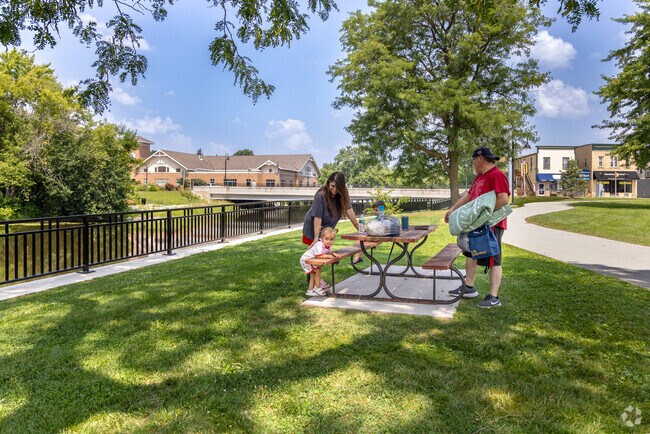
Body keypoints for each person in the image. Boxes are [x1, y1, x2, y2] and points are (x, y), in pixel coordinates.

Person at [444, 146, 510, 308]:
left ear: (479, 159)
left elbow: (503, 199)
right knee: (470, 253)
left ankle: (494, 297)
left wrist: (482, 216)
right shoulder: (480, 177)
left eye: (473, 161)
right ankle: (469, 287)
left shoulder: (496, 175)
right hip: (476, 225)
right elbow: (469, 195)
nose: (472, 164)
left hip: (491, 225)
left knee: (493, 258)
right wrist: (453, 209)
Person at [302, 171, 360, 290]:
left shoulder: (343, 194)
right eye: (332, 186)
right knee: (315, 257)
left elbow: (349, 209)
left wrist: (358, 227)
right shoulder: (321, 196)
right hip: (314, 227)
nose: (333, 190)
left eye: (336, 187)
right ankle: (314, 284)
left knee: (323, 253)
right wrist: (315, 238)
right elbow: (317, 218)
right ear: (328, 183)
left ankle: (317, 282)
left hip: (327, 229)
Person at [300, 227, 340, 296]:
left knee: (314, 275)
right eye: (326, 239)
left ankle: (310, 291)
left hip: (312, 260)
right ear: (322, 238)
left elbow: (328, 252)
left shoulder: (328, 245)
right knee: (317, 271)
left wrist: (333, 254)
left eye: (331, 239)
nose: (329, 241)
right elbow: (319, 256)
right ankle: (317, 287)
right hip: (306, 260)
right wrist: (329, 256)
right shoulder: (319, 244)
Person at [352, 200, 386, 264]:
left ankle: (357, 258)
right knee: (359, 240)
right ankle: (357, 257)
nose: (374, 212)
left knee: (359, 241)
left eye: (376, 210)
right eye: (374, 210)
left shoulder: (382, 218)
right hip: (375, 236)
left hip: (378, 238)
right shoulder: (377, 218)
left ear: (382, 210)